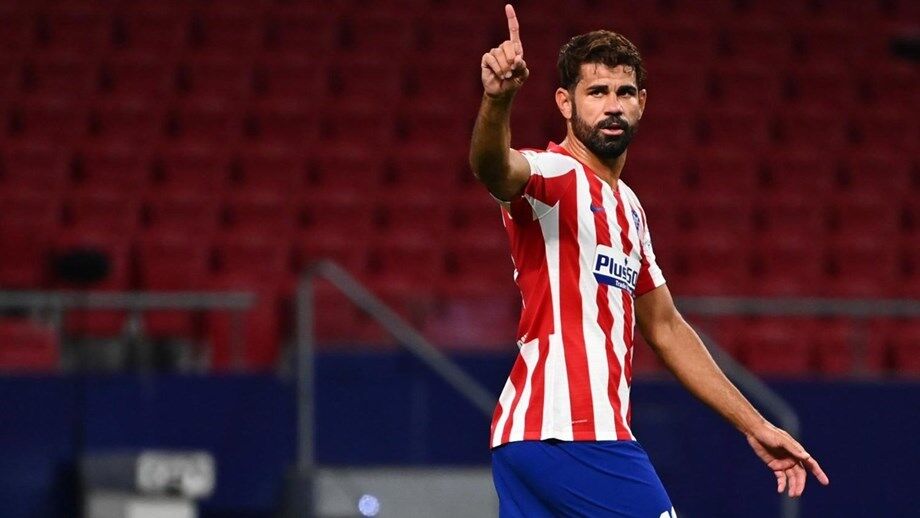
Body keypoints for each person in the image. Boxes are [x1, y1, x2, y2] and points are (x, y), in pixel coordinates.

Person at [469, 5, 830, 517]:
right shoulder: (552, 176)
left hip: (532, 439)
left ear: (642, 102)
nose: (612, 106)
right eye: (597, 92)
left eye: (624, 93)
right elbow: (492, 167)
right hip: (571, 431)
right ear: (565, 103)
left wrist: (756, 426)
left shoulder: (629, 208)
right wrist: (497, 99)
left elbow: (665, 326)